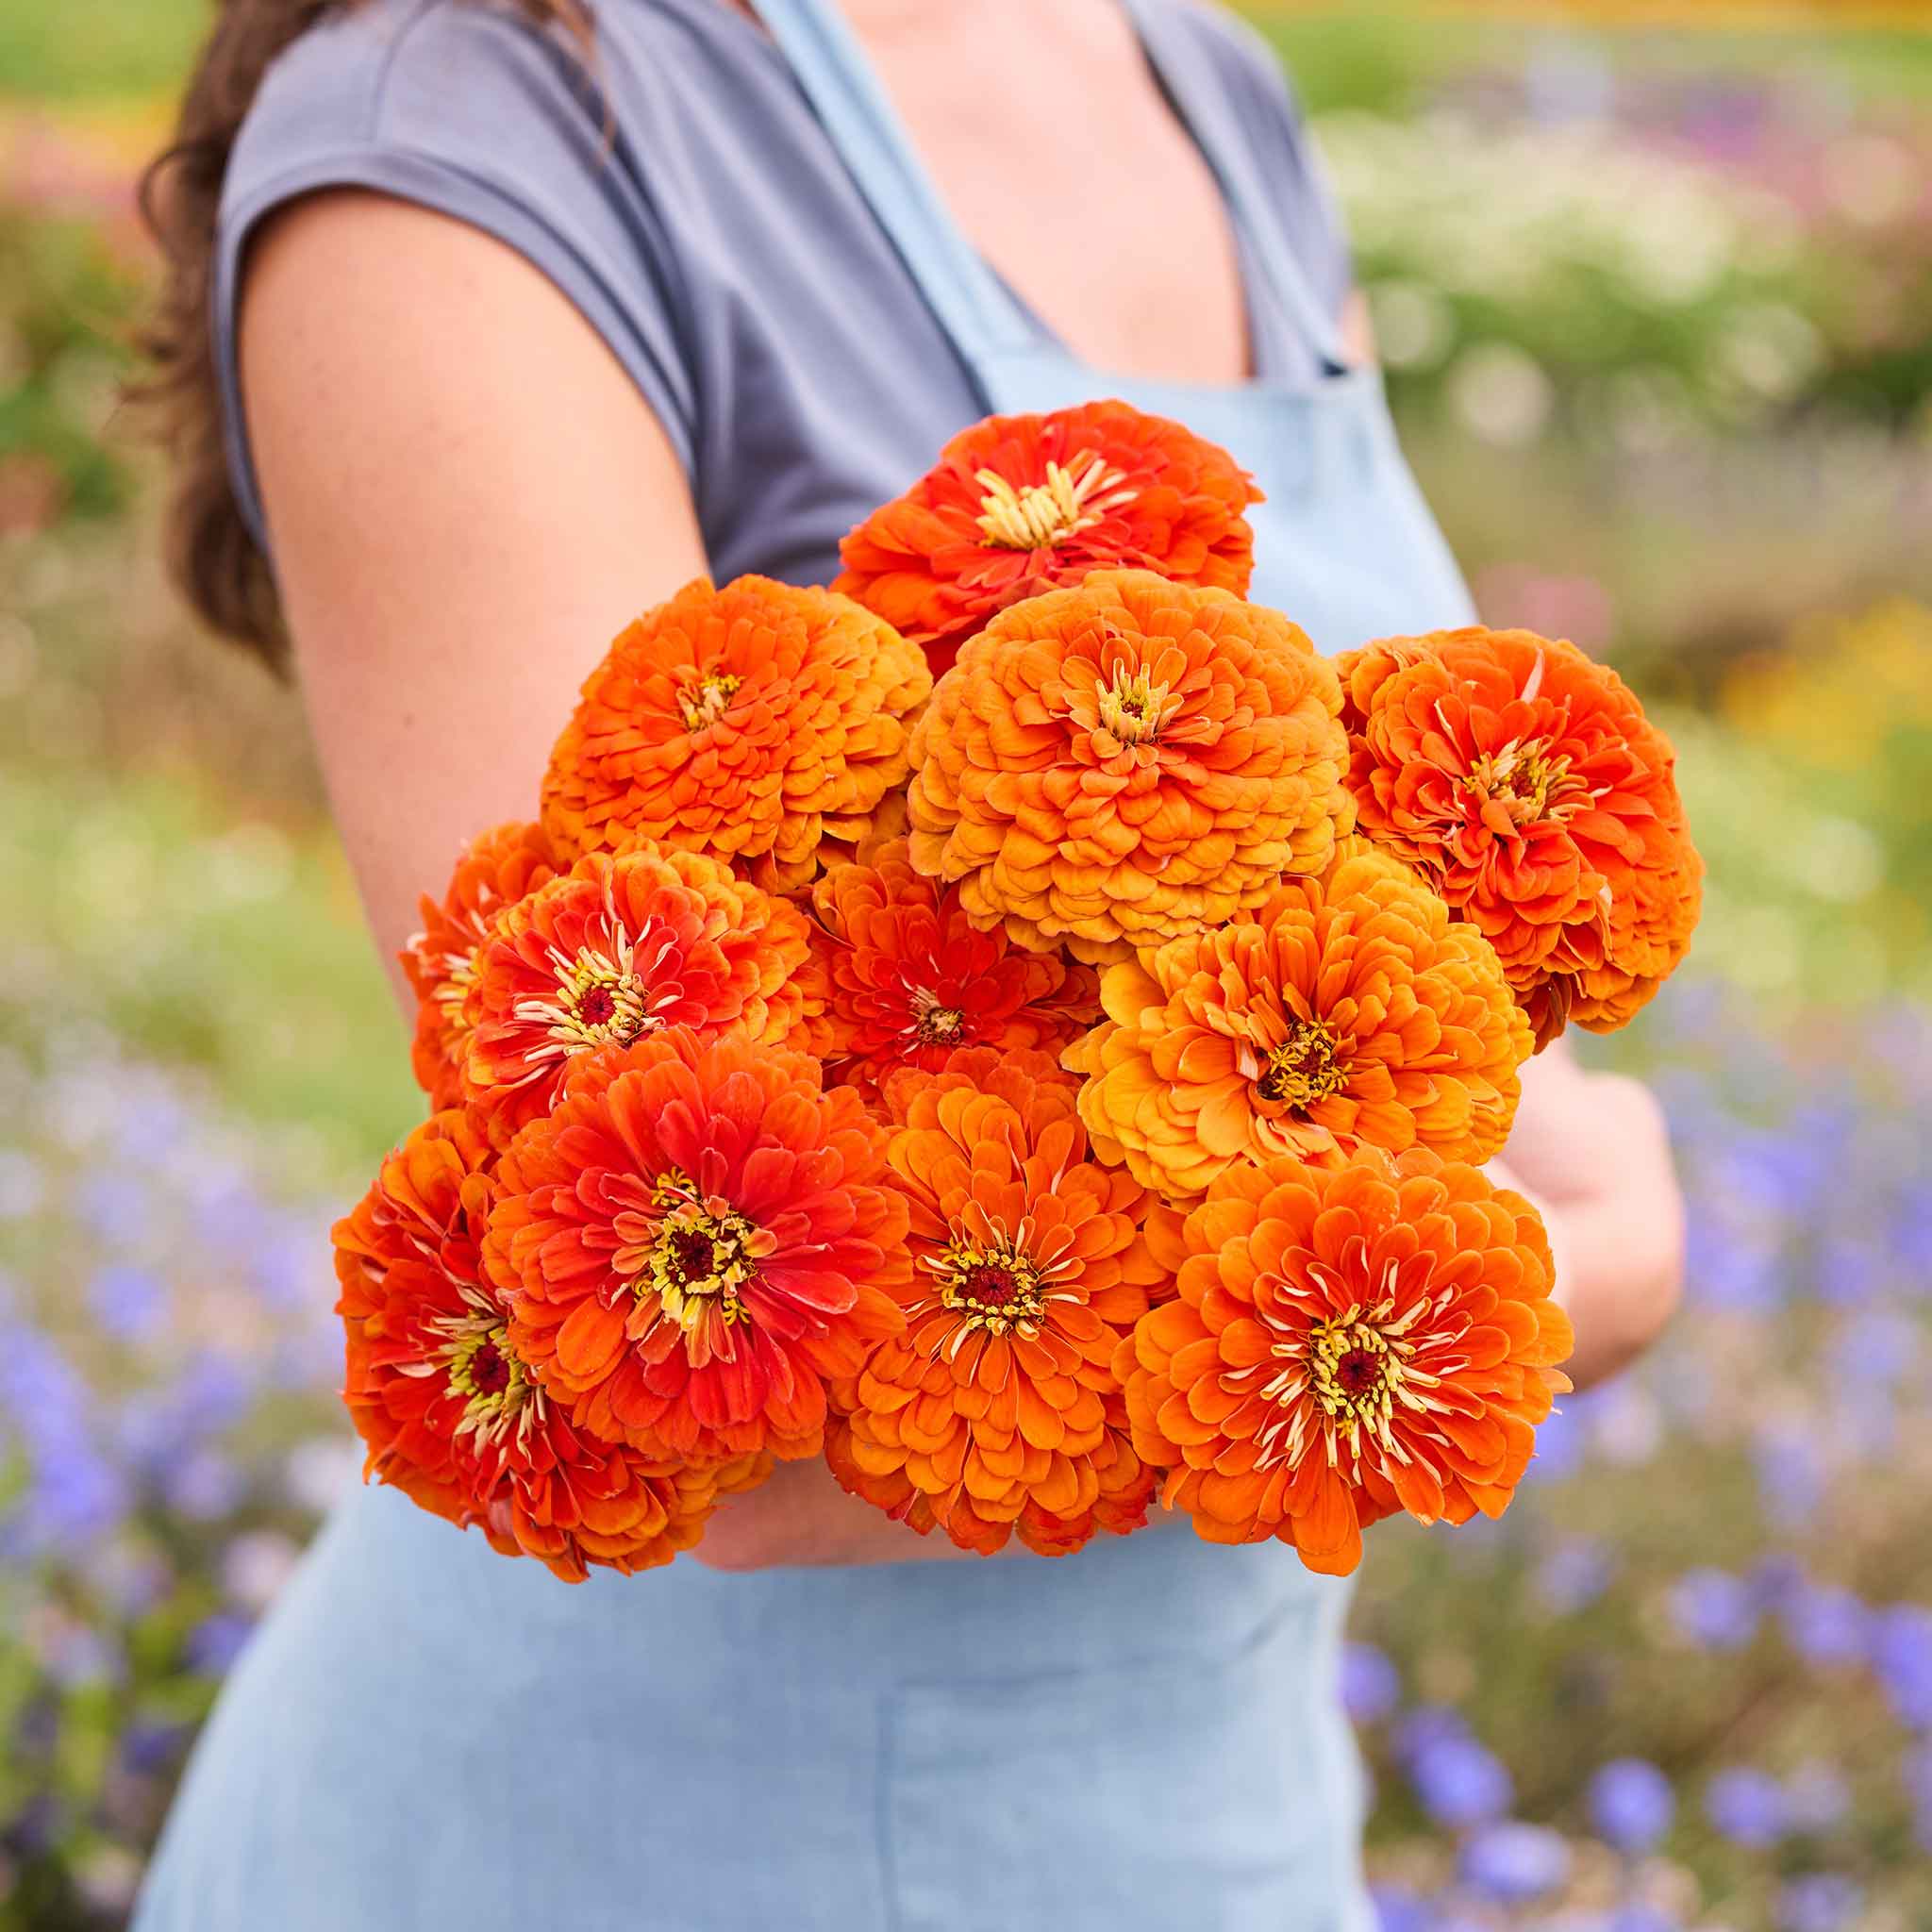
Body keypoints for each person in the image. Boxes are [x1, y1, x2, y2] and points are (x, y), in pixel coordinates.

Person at [133, 2, 1686, 1926]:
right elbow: (648, 1346)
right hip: (655, 1843)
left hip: (1197, 1800)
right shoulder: (455, 128)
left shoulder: (1191, 65)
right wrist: (1544, 1284)